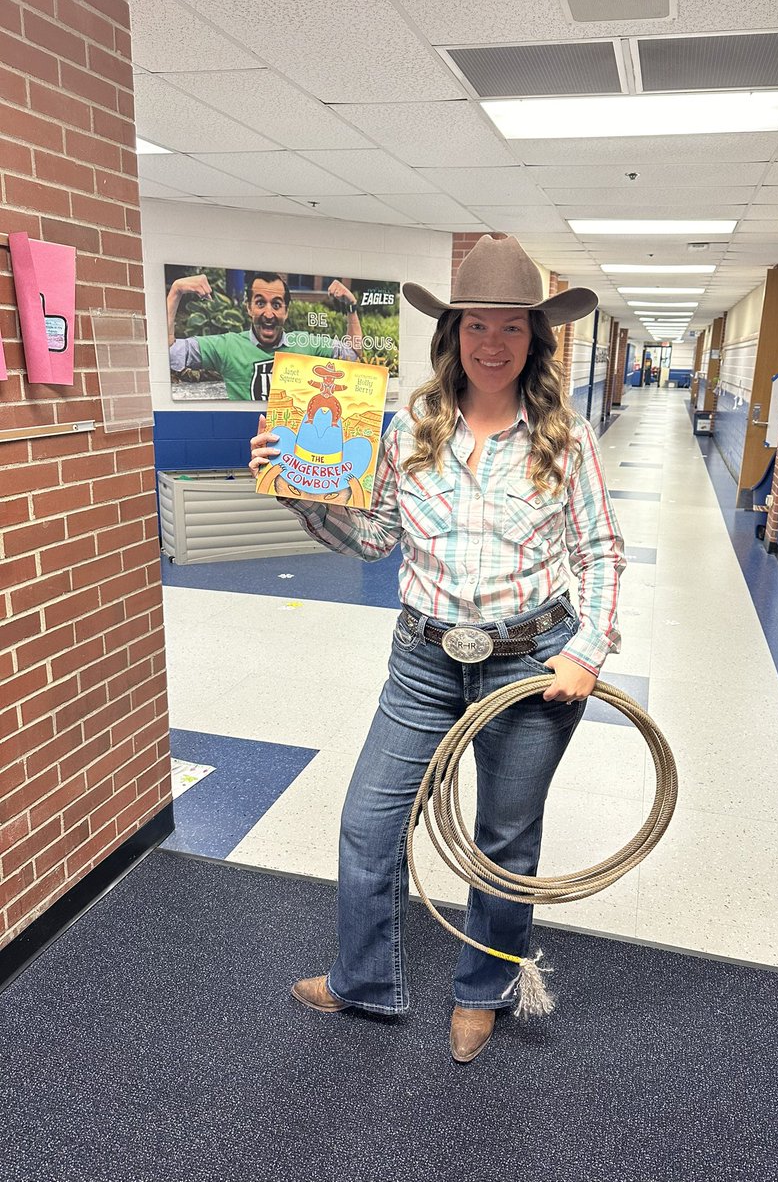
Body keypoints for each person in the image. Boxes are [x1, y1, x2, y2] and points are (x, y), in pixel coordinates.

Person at [248, 233, 625, 1063]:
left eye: (513, 328)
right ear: (451, 333)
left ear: (537, 340)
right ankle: (365, 981)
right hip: (421, 658)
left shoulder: (566, 438)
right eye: (476, 326)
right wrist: (297, 495)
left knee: (503, 841)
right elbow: (378, 535)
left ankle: (481, 990)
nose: (493, 345)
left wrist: (588, 652)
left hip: (530, 664)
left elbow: (600, 550)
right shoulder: (410, 425)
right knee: (368, 822)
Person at [168, 271, 361, 401]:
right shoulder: (228, 346)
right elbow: (169, 353)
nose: (268, 314)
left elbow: (353, 355)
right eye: (260, 303)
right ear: (248, 307)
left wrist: (351, 307)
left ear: (286, 311)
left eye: (276, 305)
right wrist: (176, 292)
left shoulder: (305, 344)